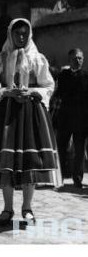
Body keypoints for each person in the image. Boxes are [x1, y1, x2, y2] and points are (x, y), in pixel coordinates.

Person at [0, 18, 60, 226]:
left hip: (30, 113)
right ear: (10, 34)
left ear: (29, 34)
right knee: (7, 162)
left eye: (24, 33)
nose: (20, 37)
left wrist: (31, 91)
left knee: (29, 162)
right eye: (17, 33)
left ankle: (27, 207)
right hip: (5, 114)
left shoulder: (38, 59)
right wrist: (7, 92)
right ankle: (7, 208)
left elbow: (48, 85)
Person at [55, 48, 88, 188]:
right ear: (69, 60)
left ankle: (77, 178)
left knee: (80, 150)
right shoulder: (63, 75)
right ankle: (60, 177)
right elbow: (59, 93)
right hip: (65, 117)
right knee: (61, 148)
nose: (78, 61)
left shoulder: (87, 76)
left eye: (80, 58)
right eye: (75, 58)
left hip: (81, 118)